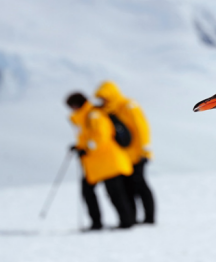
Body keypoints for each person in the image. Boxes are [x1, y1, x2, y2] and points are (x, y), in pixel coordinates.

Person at [66, 92, 135, 230]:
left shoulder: (94, 115)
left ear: (76, 105)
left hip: (108, 161)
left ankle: (125, 222)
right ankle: (100, 222)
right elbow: (89, 138)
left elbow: (101, 137)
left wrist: (85, 149)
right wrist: (79, 147)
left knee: (115, 193)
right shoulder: (86, 116)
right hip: (98, 163)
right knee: (93, 191)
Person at [95, 81, 156, 224]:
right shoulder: (110, 111)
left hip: (138, 154)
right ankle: (133, 218)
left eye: (105, 97)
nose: (103, 101)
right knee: (129, 188)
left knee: (141, 186)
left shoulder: (128, 105)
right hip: (124, 157)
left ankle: (149, 217)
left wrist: (145, 150)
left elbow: (141, 128)